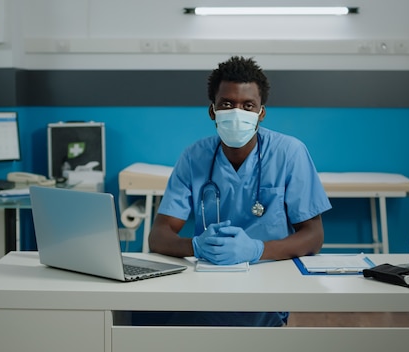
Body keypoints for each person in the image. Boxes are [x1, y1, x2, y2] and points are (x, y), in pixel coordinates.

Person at [142, 56, 332, 327]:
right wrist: (196, 246)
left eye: (248, 105)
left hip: (269, 280)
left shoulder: (289, 153)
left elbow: (314, 237)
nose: (236, 112)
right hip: (206, 281)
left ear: (261, 113)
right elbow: (159, 236)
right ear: (212, 110)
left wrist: (256, 249)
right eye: (227, 104)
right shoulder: (195, 157)